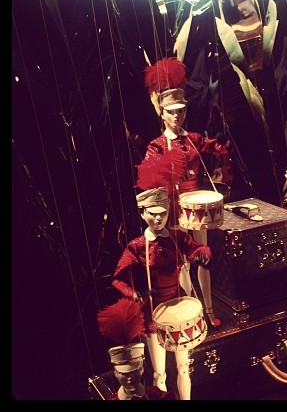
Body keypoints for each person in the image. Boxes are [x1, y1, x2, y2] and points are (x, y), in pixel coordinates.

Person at [139, 56, 231, 329]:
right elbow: (149, 181)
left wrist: (221, 168)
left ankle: (209, 308)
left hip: (196, 204)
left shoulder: (194, 139)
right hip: (174, 206)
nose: (177, 116)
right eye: (171, 112)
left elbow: (219, 150)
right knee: (183, 262)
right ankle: (193, 309)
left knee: (204, 257)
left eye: (181, 111)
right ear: (162, 113)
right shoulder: (156, 146)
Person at [111, 187, 212, 400]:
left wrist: (202, 254)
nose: (158, 218)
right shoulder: (137, 246)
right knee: (159, 372)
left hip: (178, 302)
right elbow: (118, 278)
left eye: (163, 213)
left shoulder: (177, 237)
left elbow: (197, 248)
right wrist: (134, 294)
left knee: (184, 366)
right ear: (142, 214)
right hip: (153, 310)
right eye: (152, 213)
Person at [97, 298, 178, 400]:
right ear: (116, 374)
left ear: (142, 368)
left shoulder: (155, 394)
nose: (130, 378)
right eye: (124, 373)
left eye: (135, 371)